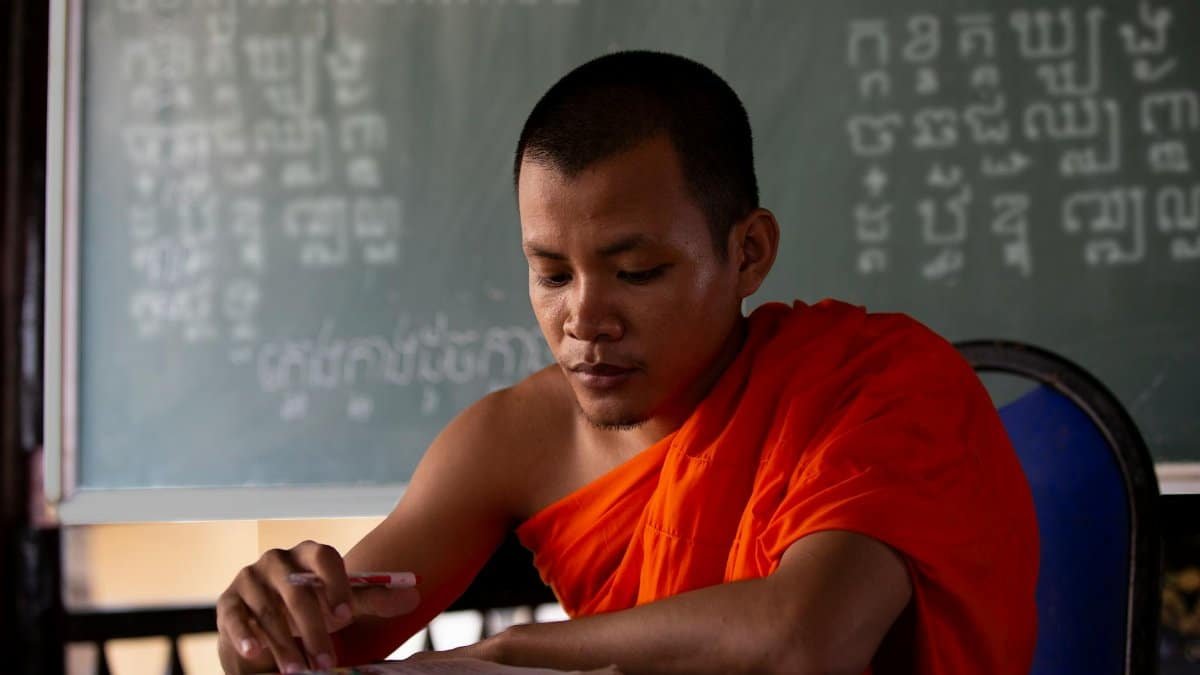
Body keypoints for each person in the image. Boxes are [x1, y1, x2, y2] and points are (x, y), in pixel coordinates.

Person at [217, 51, 1038, 674]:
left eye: (637, 272)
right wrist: (266, 627)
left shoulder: (880, 384)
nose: (584, 319)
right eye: (551, 273)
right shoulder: (517, 436)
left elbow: (803, 637)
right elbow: (325, 641)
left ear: (748, 254)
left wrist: (511, 653)